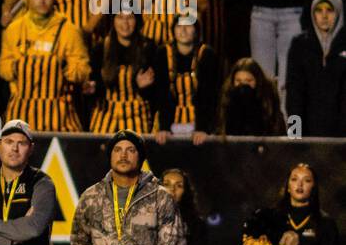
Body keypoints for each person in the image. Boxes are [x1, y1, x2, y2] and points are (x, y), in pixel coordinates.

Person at [0, 0, 91, 131]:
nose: (42, 1)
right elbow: (3, 68)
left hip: (60, 113)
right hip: (21, 110)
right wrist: (19, 68)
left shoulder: (70, 30)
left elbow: (82, 70)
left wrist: (61, 68)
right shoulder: (13, 29)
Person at [0, 119, 55, 245]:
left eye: (22, 143)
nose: (15, 148)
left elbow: (33, 229)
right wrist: (14, 237)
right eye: (9, 142)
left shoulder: (42, 183)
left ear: (31, 148)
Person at [87, 8, 161, 134]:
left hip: (137, 116)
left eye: (130, 18)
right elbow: (94, 87)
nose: (125, 24)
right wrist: (93, 88)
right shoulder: (100, 49)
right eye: (120, 17)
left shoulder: (148, 47)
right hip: (105, 115)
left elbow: (158, 92)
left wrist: (144, 87)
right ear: (113, 21)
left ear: (137, 20)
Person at [284, 0, 346, 136]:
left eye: (329, 10)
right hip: (308, 135)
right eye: (319, 10)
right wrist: (295, 135)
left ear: (338, 12)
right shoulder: (300, 45)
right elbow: (294, 96)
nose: (324, 16)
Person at [153, 14, 221, 144]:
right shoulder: (162, 53)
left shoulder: (206, 54)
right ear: (173, 30)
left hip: (198, 124)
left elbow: (208, 95)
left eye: (188, 25)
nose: (183, 30)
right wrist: (164, 127)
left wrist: (202, 128)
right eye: (179, 26)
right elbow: (162, 93)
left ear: (196, 30)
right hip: (169, 122)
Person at [218, 57, 285, 136]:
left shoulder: (268, 97)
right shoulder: (228, 95)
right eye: (238, 81)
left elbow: (276, 126)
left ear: (257, 80)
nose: (243, 85)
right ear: (233, 81)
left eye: (248, 81)